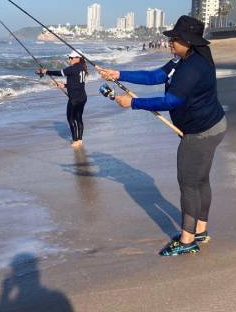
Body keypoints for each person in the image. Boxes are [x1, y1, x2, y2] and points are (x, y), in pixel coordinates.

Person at [97, 15, 227, 256]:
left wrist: (133, 103)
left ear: (188, 41)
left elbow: (171, 101)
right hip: (213, 125)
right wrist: (118, 74)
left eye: (175, 39)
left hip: (201, 133)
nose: (170, 42)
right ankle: (200, 230)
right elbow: (155, 76)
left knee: (189, 183)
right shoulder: (182, 59)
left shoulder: (193, 68)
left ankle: (187, 240)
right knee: (200, 180)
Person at [37, 51, 88, 148]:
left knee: (71, 118)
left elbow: (59, 73)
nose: (69, 59)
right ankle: (79, 140)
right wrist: (64, 85)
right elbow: (77, 83)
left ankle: (75, 140)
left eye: (71, 58)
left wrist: (46, 71)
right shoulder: (83, 68)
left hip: (74, 99)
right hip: (82, 97)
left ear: (77, 58)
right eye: (69, 57)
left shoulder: (73, 68)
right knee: (78, 118)